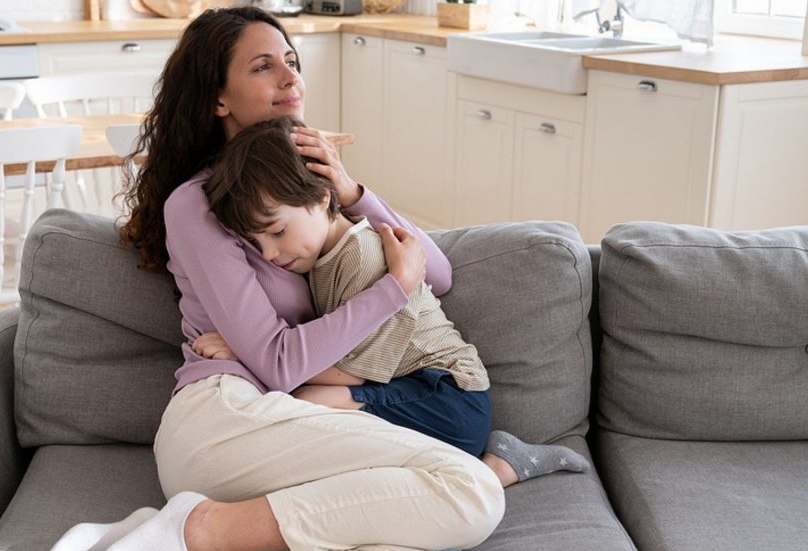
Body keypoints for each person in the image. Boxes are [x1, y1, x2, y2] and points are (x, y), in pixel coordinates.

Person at [36, 7, 559, 551]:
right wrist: (392, 288)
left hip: (280, 422)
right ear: (219, 98)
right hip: (226, 418)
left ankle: (168, 539)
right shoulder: (198, 203)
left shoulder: (306, 190)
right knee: (470, 489)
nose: (291, 79)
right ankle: (199, 530)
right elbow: (280, 363)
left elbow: (435, 274)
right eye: (264, 66)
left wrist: (352, 191)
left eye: (292, 62)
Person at [202, 115, 591, 485]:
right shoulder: (323, 259)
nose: (269, 254)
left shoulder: (362, 256)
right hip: (413, 391)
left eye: (277, 232)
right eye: (257, 243)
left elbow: (355, 370)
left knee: (313, 401)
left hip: (448, 399)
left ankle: (486, 476)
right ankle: (491, 470)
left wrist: (251, 352)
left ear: (322, 197)